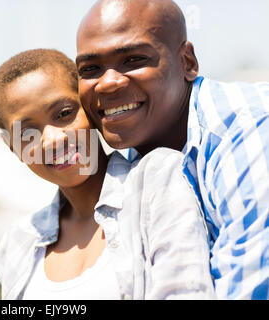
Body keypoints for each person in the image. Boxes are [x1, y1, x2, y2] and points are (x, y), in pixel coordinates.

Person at [76, 0, 269, 299]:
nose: (108, 83)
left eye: (133, 60)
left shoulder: (247, 132)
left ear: (187, 62)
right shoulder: (134, 162)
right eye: (90, 69)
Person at [0, 48, 215, 299]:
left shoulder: (156, 185)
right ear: (13, 148)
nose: (52, 140)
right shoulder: (17, 243)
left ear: (91, 107)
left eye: (64, 114)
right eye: (26, 133)